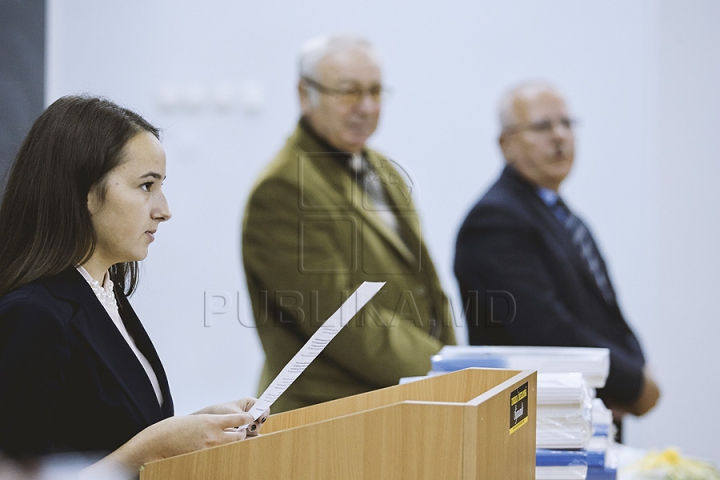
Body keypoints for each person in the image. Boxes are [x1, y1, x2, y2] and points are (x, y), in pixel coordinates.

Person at [0, 96, 267, 476]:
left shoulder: (108, 295)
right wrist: (153, 448)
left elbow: (103, 433)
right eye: (146, 186)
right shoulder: (32, 316)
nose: (164, 209)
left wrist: (195, 428)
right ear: (86, 193)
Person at [242, 34, 456, 413]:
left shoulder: (385, 169)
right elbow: (342, 321)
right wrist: (446, 368)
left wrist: (455, 365)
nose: (367, 107)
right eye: (348, 92)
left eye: (375, 91)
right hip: (329, 418)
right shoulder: (283, 188)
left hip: (402, 401)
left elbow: (427, 287)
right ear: (304, 94)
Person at [453, 83, 660, 422]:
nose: (560, 136)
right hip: (536, 429)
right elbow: (544, 329)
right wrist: (631, 382)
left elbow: (605, 312)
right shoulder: (495, 221)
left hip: (583, 419)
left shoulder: (559, 213)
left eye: (567, 123)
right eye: (542, 126)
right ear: (506, 144)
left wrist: (638, 365)